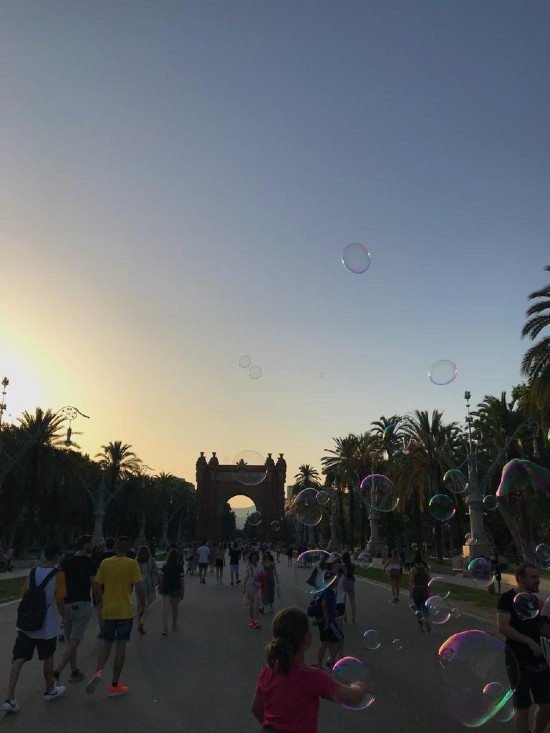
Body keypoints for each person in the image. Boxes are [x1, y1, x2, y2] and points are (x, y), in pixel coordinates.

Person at [251, 607, 368, 733]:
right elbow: (351, 698)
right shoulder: (313, 677)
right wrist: (358, 688)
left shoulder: (268, 671)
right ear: (307, 637)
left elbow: (256, 709)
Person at [3, 544, 67, 713]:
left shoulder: (33, 572)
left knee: (18, 659)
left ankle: (10, 697)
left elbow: (24, 594)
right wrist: (64, 617)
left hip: (27, 624)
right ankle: (49, 689)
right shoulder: (59, 575)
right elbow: (59, 599)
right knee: (47, 657)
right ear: (57, 556)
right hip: (47, 625)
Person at [86, 536, 144, 698]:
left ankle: (98, 672)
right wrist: (142, 605)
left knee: (106, 644)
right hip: (125, 610)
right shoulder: (132, 564)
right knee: (121, 646)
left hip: (108, 609)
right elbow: (139, 588)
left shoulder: (106, 563)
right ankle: (114, 685)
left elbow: (96, 584)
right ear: (129, 548)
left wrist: (100, 599)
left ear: (115, 548)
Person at [498, 562, 550, 733]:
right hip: (516, 659)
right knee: (523, 707)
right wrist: (528, 641)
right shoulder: (506, 599)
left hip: (537, 658)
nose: (538, 581)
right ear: (520, 578)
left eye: (538, 577)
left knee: (547, 706)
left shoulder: (534, 601)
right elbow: (503, 627)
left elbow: (541, 627)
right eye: (533, 577)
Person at [53, 534, 96, 684]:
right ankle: (57, 671)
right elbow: (93, 584)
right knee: (74, 641)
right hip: (82, 603)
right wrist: (99, 600)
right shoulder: (89, 562)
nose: (92, 546)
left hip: (66, 603)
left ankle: (74, 671)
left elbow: (58, 575)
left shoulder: (66, 560)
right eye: (91, 544)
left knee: (71, 640)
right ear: (86, 545)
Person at [316, 565, 344, 668]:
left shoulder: (324, 589)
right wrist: (327, 617)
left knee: (326, 642)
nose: (336, 582)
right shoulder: (329, 591)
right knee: (340, 638)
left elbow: (326, 605)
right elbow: (324, 604)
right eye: (334, 580)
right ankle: (331, 660)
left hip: (324, 620)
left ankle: (321, 662)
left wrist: (333, 611)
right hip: (328, 622)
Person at [159, 548, 185, 635]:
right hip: (176, 589)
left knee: (165, 609)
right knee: (175, 609)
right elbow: (182, 580)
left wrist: (160, 586)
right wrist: (183, 591)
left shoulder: (165, 566)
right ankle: (174, 625)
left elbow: (161, 578)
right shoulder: (179, 567)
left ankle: (164, 629)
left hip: (166, 588)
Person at [136, 544, 159, 634]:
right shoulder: (151, 560)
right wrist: (159, 582)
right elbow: (156, 571)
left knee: (139, 604)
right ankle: (142, 623)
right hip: (148, 583)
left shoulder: (136, 561)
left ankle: (138, 623)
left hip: (139, 583)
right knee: (146, 605)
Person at [409, 551, 431, 632]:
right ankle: (426, 618)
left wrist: (411, 591)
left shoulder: (413, 570)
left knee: (418, 608)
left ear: (415, 561)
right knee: (424, 606)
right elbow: (429, 580)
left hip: (416, 589)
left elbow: (411, 581)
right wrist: (429, 590)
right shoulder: (426, 569)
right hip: (424, 589)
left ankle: (421, 626)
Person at [243, 551, 265, 629]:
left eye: (255, 558)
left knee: (257, 605)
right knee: (251, 605)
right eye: (252, 558)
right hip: (250, 587)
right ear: (251, 559)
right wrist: (244, 587)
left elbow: (263, 577)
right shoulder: (249, 568)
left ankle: (257, 621)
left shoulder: (260, 567)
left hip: (258, 587)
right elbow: (246, 578)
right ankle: (252, 620)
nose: (254, 560)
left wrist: (263, 587)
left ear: (257, 559)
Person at [341, 551, 356, 624]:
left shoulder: (342, 566)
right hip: (351, 583)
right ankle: (353, 618)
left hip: (344, 583)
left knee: (343, 602)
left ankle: (345, 618)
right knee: (352, 602)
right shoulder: (352, 565)